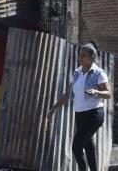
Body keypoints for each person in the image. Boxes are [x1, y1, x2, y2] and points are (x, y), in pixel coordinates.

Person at [47, 43, 111, 171]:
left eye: (84, 55)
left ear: (92, 57)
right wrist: (53, 108)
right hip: (80, 115)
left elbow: (108, 94)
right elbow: (67, 95)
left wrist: (96, 92)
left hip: (94, 115)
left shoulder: (99, 73)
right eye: (79, 55)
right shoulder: (77, 72)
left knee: (76, 147)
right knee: (88, 145)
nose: (80, 58)